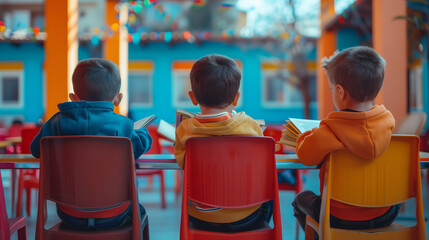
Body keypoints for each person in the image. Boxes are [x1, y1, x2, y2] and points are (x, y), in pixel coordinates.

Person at [30, 58, 152, 230]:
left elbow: (36, 150)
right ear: (118, 99)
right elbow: (138, 146)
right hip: (115, 214)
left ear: (73, 98)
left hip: (70, 214)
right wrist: (143, 133)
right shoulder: (123, 125)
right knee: (140, 213)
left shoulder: (56, 123)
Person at [290, 46, 399, 234]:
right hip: (385, 212)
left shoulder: (329, 131)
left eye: (332, 89)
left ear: (340, 92)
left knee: (301, 199)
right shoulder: (388, 125)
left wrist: (306, 135)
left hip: (339, 216)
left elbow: (305, 155)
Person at [175, 54, 272, 233]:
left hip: (201, 218)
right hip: (247, 218)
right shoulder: (250, 125)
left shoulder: (185, 129)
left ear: (192, 97)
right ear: (236, 98)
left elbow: (183, 164)